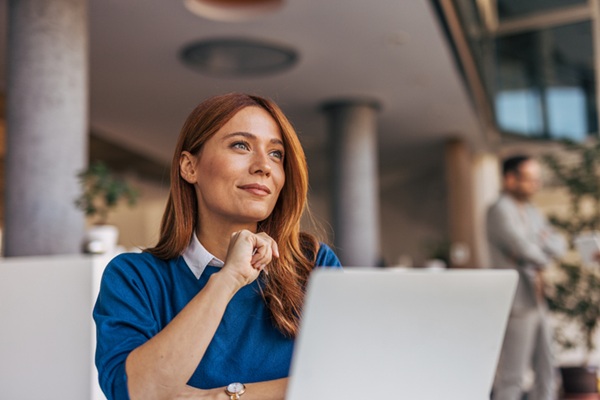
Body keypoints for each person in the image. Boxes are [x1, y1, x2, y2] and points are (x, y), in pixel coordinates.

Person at [93, 93, 342, 400]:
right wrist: (227, 280)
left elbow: (344, 380)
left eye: (276, 154)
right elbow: (137, 393)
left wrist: (219, 398)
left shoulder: (312, 264)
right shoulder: (134, 277)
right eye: (241, 145)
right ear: (189, 167)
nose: (264, 166)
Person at [487, 155, 566, 400]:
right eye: (530, 179)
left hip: (539, 299)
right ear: (510, 179)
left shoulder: (531, 212)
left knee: (547, 371)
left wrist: (540, 248)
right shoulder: (499, 210)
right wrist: (539, 246)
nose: (536, 184)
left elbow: (558, 243)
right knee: (514, 376)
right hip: (519, 303)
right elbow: (525, 249)